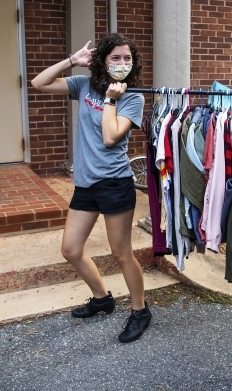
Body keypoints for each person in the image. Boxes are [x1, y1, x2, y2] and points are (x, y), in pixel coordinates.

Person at [31, 33, 151, 343]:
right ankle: (102, 298)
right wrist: (72, 61)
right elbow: (39, 83)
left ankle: (140, 310)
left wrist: (112, 98)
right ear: (102, 60)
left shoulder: (133, 97)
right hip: (85, 184)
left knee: (121, 253)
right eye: (115, 58)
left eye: (127, 58)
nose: (122, 64)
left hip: (114, 183)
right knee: (71, 249)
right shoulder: (84, 86)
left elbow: (111, 136)